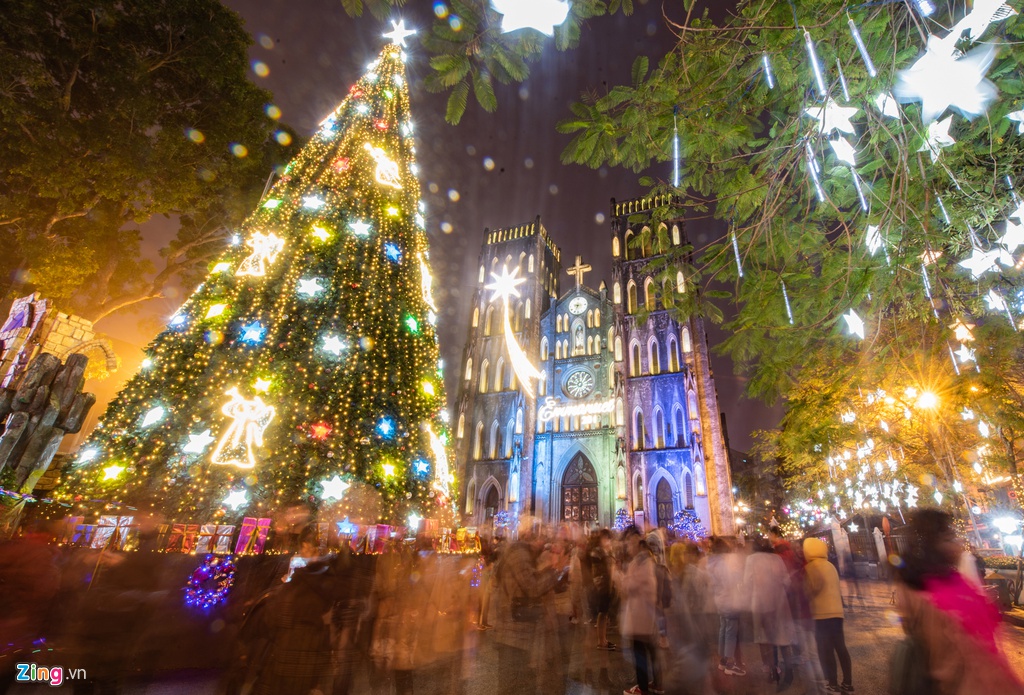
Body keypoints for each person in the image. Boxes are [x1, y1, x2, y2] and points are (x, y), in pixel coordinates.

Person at [894, 509, 1024, 694]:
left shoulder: (954, 579)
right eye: (950, 538)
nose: (959, 542)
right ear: (933, 544)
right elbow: (949, 662)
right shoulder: (923, 592)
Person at [745, 537, 795, 689]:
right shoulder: (777, 559)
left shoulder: (751, 560)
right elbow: (787, 581)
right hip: (779, 603)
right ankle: (789, 672)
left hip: (760, 603)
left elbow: (747, 582)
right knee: (783, 638)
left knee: (764, 639)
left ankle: (772, 670)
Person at [803, 538, 852, 693]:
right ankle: (848, 683)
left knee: (825, 650)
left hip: (820, 614)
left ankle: (832, 683)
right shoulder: (830, 566)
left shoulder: (810, 568)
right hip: (837, 613)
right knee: (840, 647)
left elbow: (810, 590)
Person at [620, 526, 659, 695]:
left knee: (640, 652)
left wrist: (619, 577)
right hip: (647, 613)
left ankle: (642, 688)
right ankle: (657, 683)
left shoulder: (641, 562)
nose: (628, 546)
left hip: (640, 614)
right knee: (650, 649)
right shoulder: (647, 559)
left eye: (630, 542)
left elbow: (629, 586)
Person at [707, 537, 746, 676]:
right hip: (729, 600)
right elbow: (729, 582)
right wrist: (737, 575)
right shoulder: (723, 563)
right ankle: (730, 664)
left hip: (719, 599)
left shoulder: (712, 562)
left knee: (723, 630)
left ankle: (722, 662)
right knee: (730, 633)